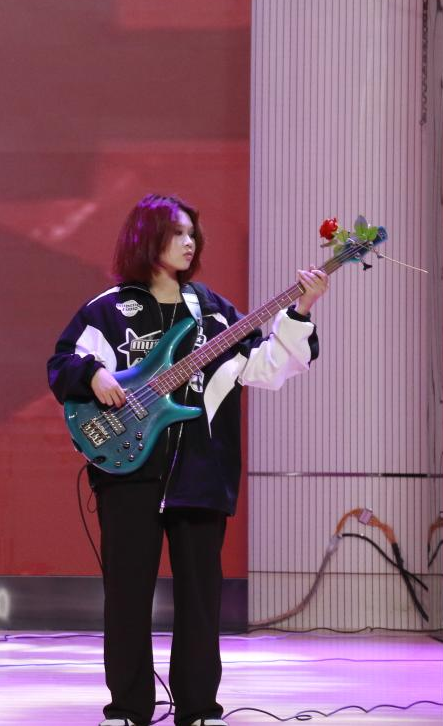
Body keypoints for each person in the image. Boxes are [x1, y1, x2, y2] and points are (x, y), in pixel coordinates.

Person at [47, 194, 329, 726]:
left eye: (192, 233)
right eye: (177, 232)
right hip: (127, 471)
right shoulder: (107, 310)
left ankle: (199, 709)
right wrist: (94, 374)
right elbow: (63, 363)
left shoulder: (215, 311)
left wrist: (301, 311)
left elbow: (267, 367)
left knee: (201, 598)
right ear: (146, 237)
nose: (189, 242)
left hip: (202, 472)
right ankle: (127, 708)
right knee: (127, 596)